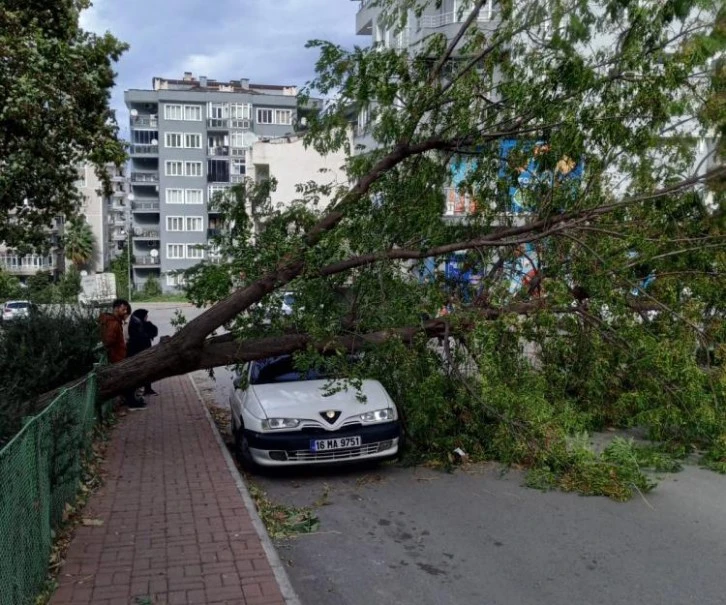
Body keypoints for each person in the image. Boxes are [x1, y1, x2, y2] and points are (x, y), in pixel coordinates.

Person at [99, 299, 146, 410]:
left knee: (126, 380)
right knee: (128, 379)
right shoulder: (114, 323)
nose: (125, 312)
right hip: (117, 357)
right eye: (123, 309)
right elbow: (109, 341)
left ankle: (129, 400)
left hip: (118, 356)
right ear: (116, 309)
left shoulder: (113, 321)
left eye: (126, 309)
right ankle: (131, 402)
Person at [127, 308, 159, 396]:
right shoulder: (136, 325)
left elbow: (154, 331)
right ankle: (141, 389)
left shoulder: (142, 324)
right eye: (145, 316)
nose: (147, 317)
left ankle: (147, 389)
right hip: (140, 352)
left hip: (143, 351)